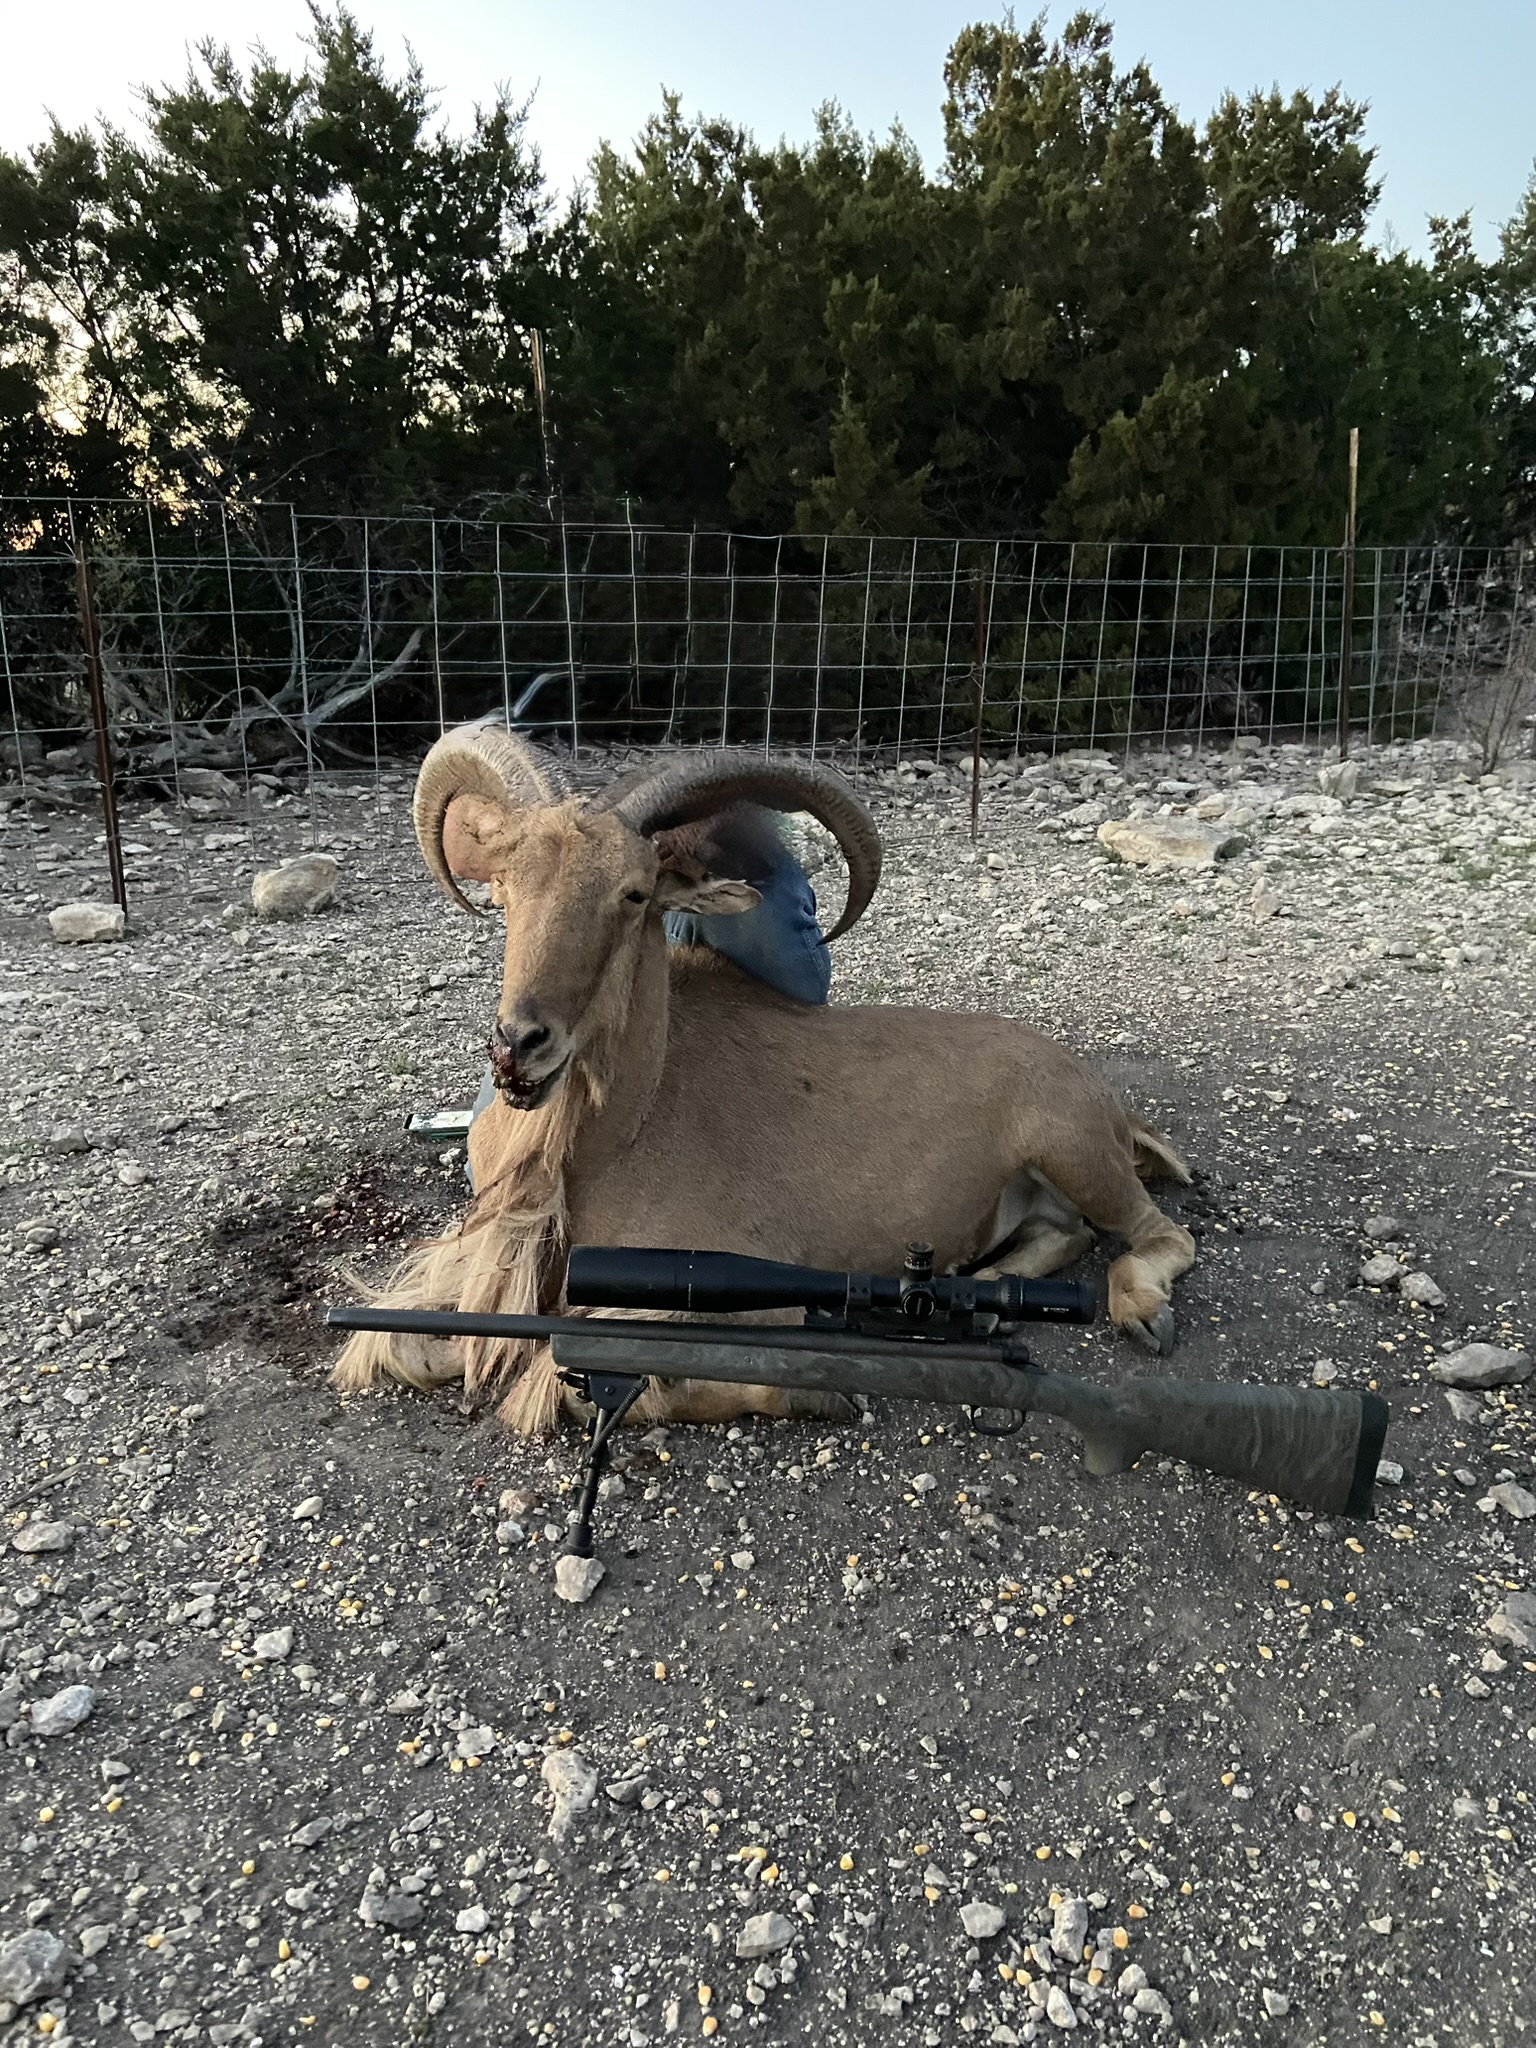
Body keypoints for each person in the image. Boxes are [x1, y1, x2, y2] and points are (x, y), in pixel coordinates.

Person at [465, 810, 830, 1183]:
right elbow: (461, 840)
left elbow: (770, 789)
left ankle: (786, 1076)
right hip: (600, 860)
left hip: (715, 863)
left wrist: (710, 831)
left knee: (780, 997)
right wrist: (508, 839)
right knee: (485, 1160)